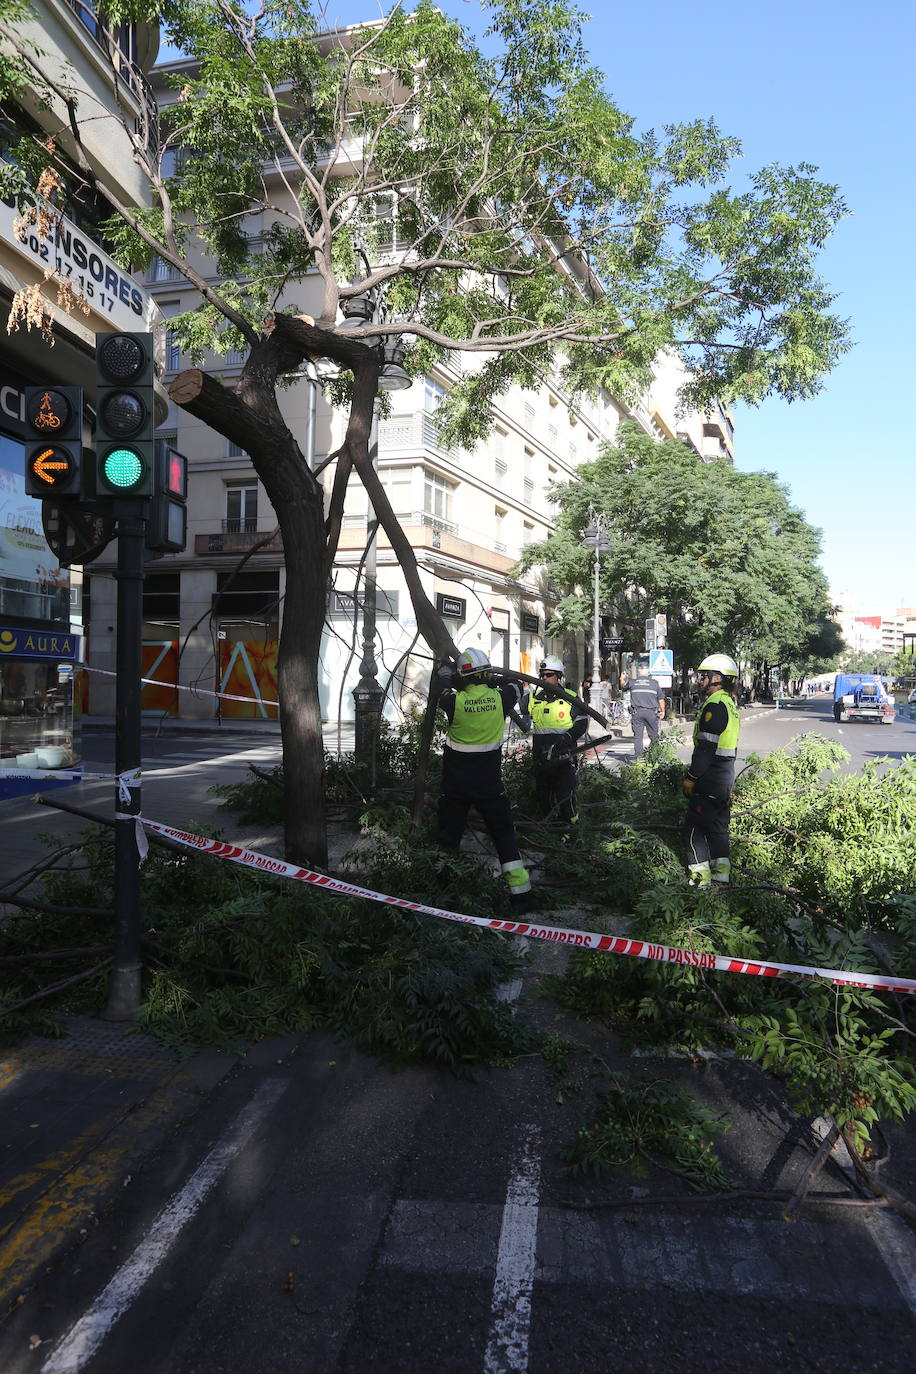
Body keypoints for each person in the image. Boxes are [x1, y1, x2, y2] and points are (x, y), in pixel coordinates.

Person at [435, 647, 532, 911]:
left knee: (449, 839)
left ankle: (443, 895)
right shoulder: (501, 699)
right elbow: (515, 684)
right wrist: (492, 678)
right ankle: (521, 895)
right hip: (490, 785)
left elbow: (441, 687)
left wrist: (447, 672)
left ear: (463, 679)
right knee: (503, 836)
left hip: (456, 785)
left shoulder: (454, 702)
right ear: (486, 675)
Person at [682, 652, 740, 887]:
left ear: (718, 678)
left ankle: (700, 881)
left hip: (710, 777)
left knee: (694, 830)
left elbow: (706, 749)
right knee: (717, 830)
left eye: (704, 676)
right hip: (724, 779)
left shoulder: (715, 706)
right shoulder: (729, 703)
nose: (700, 680)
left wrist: (691, 778)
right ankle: (721, 879)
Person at [521, 655, 588, 828]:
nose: (544, 678)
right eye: (542, 675)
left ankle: (572, 831)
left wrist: (568, 737)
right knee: (544, 798)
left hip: (564, 757)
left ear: (558, 676)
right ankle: (550, 832)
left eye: (548, 674)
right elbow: (514, 705)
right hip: (541, 759)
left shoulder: (570, 697)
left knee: (566, 796)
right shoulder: (533, 698)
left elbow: (581, 723)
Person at [621, 656, 666, 758]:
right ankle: (654, 757)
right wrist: (663, 711)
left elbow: (623, 687)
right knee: (654, 736)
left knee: (638, 737)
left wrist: (622, 678)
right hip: (651, 713)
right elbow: (661, 699)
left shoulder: (632, 682)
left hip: (637, 713)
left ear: (639, 671)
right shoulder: (654, 683)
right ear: (648, 671)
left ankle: (639, 759)